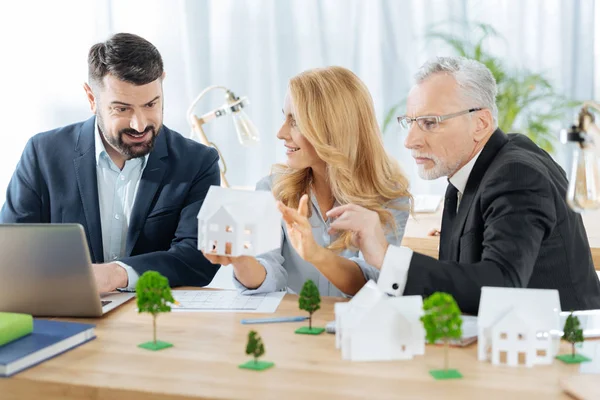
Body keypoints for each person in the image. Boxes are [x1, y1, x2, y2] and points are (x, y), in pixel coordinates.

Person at [312, 56, 600, 314]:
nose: (410, 140)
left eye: (429, 122)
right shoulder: (471, 173)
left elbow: (501, 285)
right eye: (410, 122)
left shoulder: (517, 175)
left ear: (481, 123)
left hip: (559, 353)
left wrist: (386, 256)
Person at [0, 33, 221, 293]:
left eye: (151, 104)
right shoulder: (43, 154)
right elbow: (11, 252)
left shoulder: (198, 162)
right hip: (64, 312)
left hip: (155, 317)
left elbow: (197, 260)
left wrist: (118, 274)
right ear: (92, 99)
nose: (140, 124)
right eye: (122, 109)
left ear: (162, 83)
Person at [204, 66, 411, 297]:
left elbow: (374, 282)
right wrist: (240, 259)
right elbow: (271, 271)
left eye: (295, 121)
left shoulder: (390, 197)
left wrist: (314, 254)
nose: (281, 133)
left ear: (332, 128)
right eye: (285, 117)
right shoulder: (272, 189)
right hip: (293, 327)